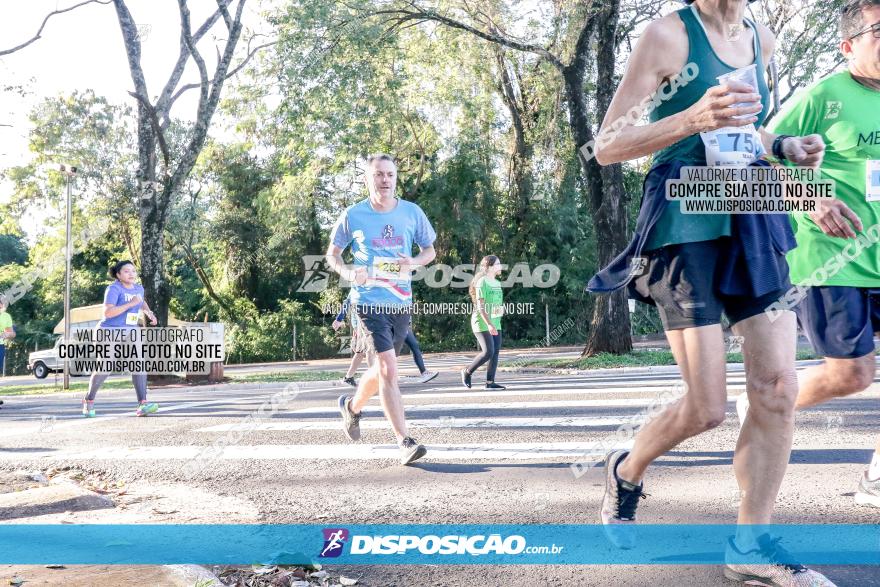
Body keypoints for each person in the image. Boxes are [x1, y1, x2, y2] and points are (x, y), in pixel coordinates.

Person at [586, 0, 834, 584]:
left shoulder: (762, 37)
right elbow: (608, 145)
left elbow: (747, 128)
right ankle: (626, 467)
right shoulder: (668, 35)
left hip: (752, 206)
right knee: (707, 409)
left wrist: (782, 148)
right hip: (685, 214)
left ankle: (749, 547)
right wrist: (692, 117)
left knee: (777, 386)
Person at [735, 0, 880, 510]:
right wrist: (810, 198)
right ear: (848, 46)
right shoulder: (823, 97)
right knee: (853, 375)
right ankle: (760, 401)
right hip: (833, 259)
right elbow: (761, 159)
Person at [326, 153, 437, 466]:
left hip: (400, 300)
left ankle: (352, 407)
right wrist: (349, 273)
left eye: (390, 175)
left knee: (380, 370)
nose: (385, 180)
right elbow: (332, 255)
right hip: (368, 301)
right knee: (389, 369)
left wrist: (413, 261)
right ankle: (404, 441)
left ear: (395, 178)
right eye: (379, 175)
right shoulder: (353, 215)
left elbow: (430, 251)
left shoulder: (412, 213)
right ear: (368, 178)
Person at [83, 260, 159, 418]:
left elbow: (141, 301)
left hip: (130, 331)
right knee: (105, 367)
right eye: (126, 271)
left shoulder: (139, 288)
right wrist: (129, 304)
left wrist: (148, 312)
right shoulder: (113, 289)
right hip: (108, 331)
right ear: (118, 274)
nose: (131, 274)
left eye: (133, 271)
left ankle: (142, 404)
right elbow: (108, 313)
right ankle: (89, 400)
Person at [333, 294, 437, 385]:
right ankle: (374, 378)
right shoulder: (362, 287)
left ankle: (422, 372)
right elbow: (348, 301)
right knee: (368, 351)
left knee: (404, 347)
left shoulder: (389, 285)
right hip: (370, 323)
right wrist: (339, 319)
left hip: (391, 322)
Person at [461, 255, 505, 390]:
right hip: (481, 321)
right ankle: (467, 371)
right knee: (488, 352)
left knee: (495, 352)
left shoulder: (497, 283)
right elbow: (481, 307)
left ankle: (489, 383)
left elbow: (497, 303)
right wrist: (489, 324)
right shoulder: (482, 282)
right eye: (497, 264)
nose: (500, 266)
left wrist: (501, 310)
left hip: (495, 322)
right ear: (490, 267)